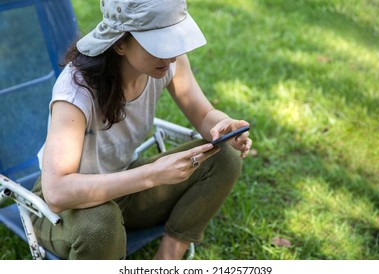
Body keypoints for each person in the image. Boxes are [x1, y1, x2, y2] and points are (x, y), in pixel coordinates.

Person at [31, 0, 252, 260]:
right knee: (102, 225)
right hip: (64, 212)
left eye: (174, 38)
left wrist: (223, 125)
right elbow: (57, 192)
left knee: (224, 156)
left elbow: (204, 114)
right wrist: (153, 175)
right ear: (120, 42)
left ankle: (166, 261)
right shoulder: (77, 91)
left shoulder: (170, 62)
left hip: (124, 186)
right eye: (160, 43)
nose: (171, 54)